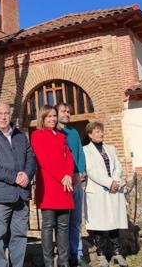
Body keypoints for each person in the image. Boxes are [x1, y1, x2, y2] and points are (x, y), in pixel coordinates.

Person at [0, 102, 36, 267]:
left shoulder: (20, 135)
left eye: (6, 113)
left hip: (21, 194)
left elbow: (31, 157)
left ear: (10, 115)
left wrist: (27, 174)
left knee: (19, 235)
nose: (3, 117)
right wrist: (14, 177)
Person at [31, 105, 75, 267]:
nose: (53, 119)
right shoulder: (37, 135)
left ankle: (63, 262)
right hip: (49, 186)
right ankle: (48, 263)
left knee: (64, 226)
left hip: (65, 186)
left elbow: (69, 158)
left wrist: (68, 175)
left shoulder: (60, 136)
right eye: (49, 116)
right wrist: (61, 177)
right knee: (48, 226)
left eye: (54, 116)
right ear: (42, 118)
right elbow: (44, 161)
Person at [82, 122, 128, 267]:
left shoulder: (111, 148)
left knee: (114, 223)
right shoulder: (85, 151)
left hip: (113, 190)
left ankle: (117, 253)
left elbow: (118, 167)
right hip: (97, 191)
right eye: (96, 131)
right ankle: (101, 255)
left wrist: (115, 181)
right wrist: (109, 183)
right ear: (89, 134)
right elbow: (91, 171)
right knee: (99, 225)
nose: (100, 134)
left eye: (101, 131)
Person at [57, 103, 89, 267]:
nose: (67, 114)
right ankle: (64, 256)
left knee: (76, 221)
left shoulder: (74, 133)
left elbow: (80, 154)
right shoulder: (54, 133)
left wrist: (81, 172)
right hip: (62, 184)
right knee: (63, 223)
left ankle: (77, 254)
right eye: (63, 111)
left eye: (68, 111)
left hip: (77, 183)